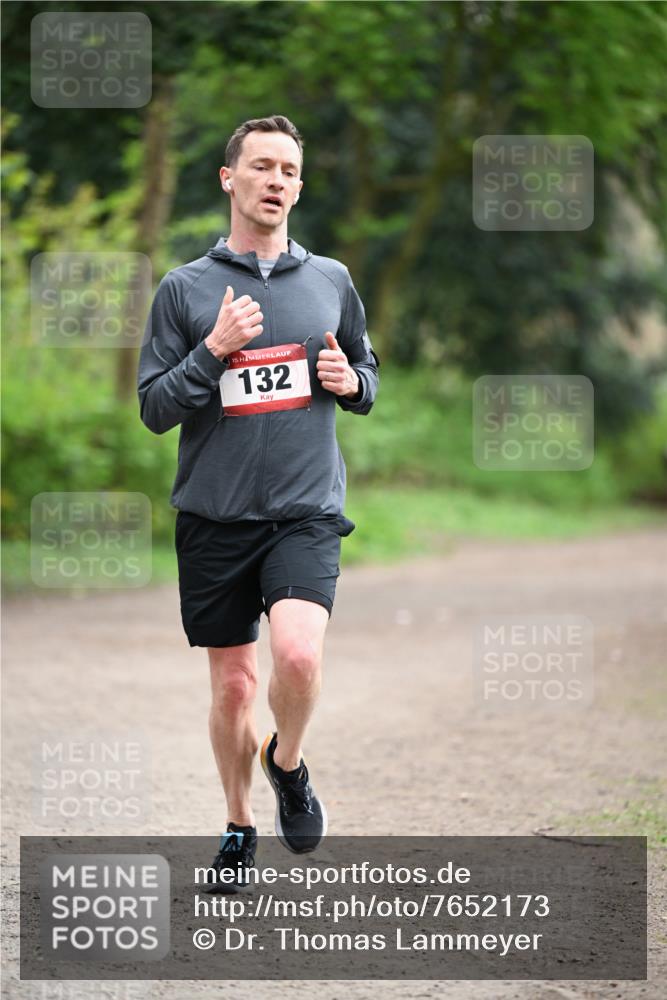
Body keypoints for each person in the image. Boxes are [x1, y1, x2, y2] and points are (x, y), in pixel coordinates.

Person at [137, 114, 379, 891]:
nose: (278, 181)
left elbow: (364, 373)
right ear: (229, 179)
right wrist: (211, 351)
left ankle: (289, 763)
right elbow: (154, 408)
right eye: (264, 167)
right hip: (214, 514)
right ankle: (239, 823)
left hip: (304, 510)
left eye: (290, 171)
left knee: (300, 655)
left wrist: (354, 385)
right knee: (235, 687)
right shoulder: (185, 290)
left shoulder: (330, 281)